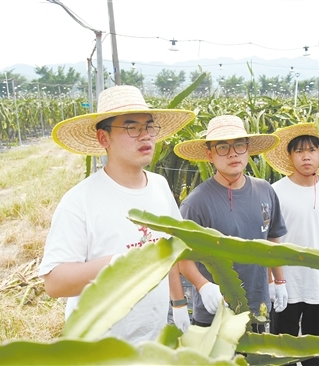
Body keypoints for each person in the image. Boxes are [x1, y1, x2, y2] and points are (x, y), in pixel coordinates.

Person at [38, 85, 196, 342]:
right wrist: (114, 265)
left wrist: (181, 301)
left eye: (149, 127)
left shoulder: (159, 186)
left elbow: (173, 248)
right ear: (104, 139)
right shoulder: (79, 201)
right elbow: (55, 283)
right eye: (132, 127)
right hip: (99, 347)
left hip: (152, 337)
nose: (145, 136)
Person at [173, 114, 288, 332]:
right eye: (223, 147)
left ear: (248, 148)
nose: (233, 153)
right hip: (215, 312)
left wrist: (278, 281)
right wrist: (202, 285)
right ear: (209, 155)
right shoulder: (196, 203)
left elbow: (272, 238)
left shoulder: (265, 190)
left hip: (257, 308)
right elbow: (181, 257)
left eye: (239, 145)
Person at [263, 123, 319, 366]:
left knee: (315, 352)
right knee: (281, 350)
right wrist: (271, 281)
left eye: (311, 150)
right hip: (285, 284)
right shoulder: (275, 192)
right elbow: (267, 241)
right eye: (298, 151)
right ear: (290, 156)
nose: (306, 156)